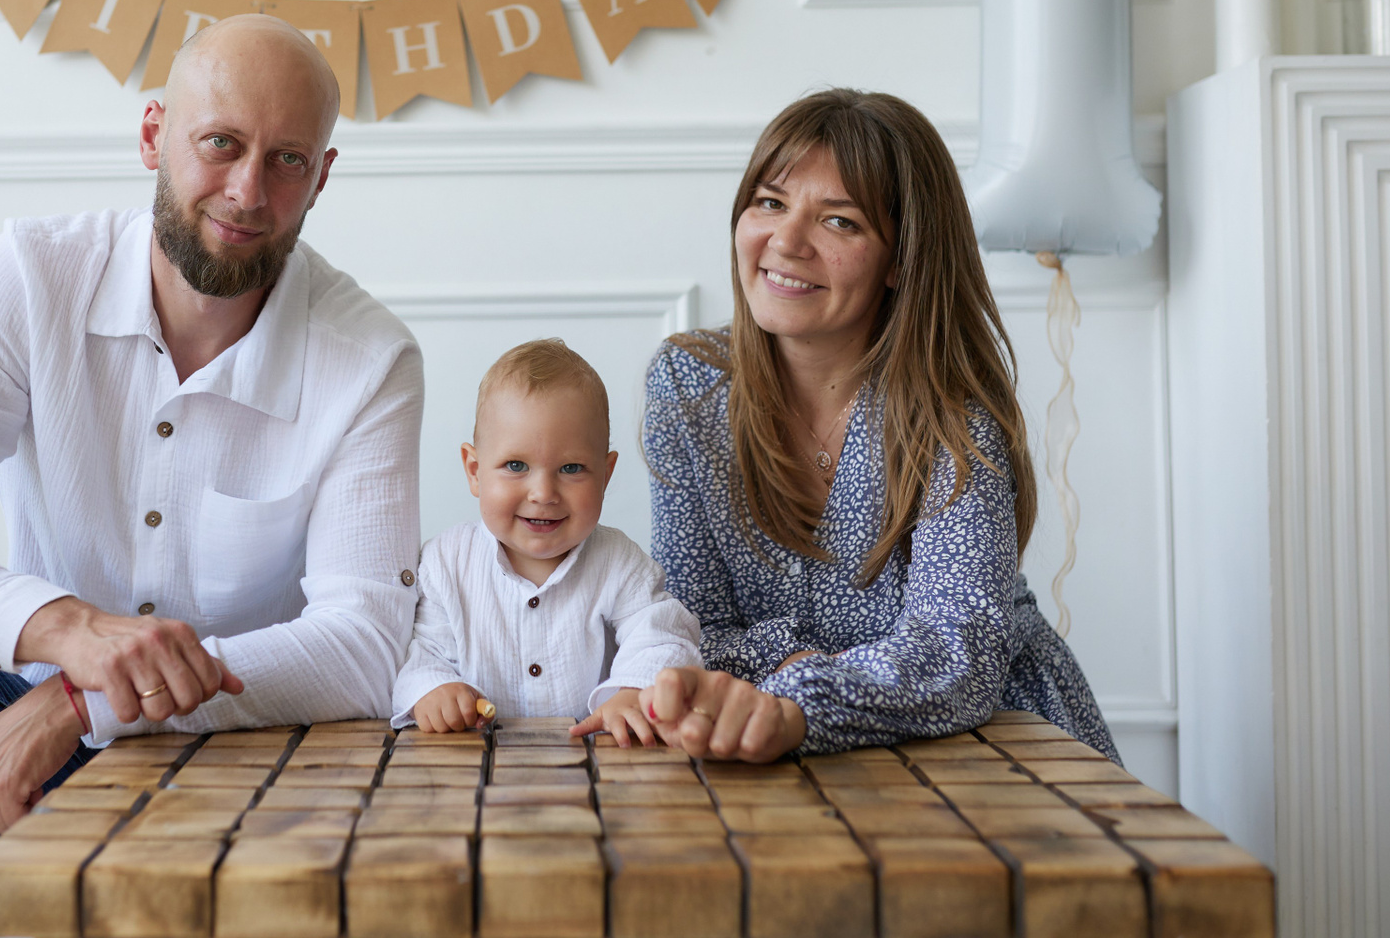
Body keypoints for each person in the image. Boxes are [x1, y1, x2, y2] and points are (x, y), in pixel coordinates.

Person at [0, 15, 424, 938]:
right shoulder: (34, 275)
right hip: (31, 731)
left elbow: (363, 645)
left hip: (248, 757)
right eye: (220, 143)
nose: (247, 191)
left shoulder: (370, 357)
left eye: (287, 160)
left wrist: (86, 701)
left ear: (321, 178)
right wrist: (66, 631)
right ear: (153, 135)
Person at [637, 88, 1119, 765]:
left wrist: (798, 696)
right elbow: (690, 625)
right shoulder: (689, 385)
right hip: (767, 740)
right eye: (770, 203)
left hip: (987, 741)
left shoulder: (953, 411)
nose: (786, 241)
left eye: (839, 222)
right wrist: (797, 670)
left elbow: (954, 652)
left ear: (901, 259)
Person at [392, 339, 700, 743]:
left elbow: (663, 636)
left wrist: (633, 690)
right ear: (475, 470)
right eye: (515, 465)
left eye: (571, 468)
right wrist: (434, 689)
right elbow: (421, 651)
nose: (543, 493)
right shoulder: (445, 563)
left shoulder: (620, 563)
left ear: (606, 475)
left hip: (600, 760)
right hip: (476, 762)